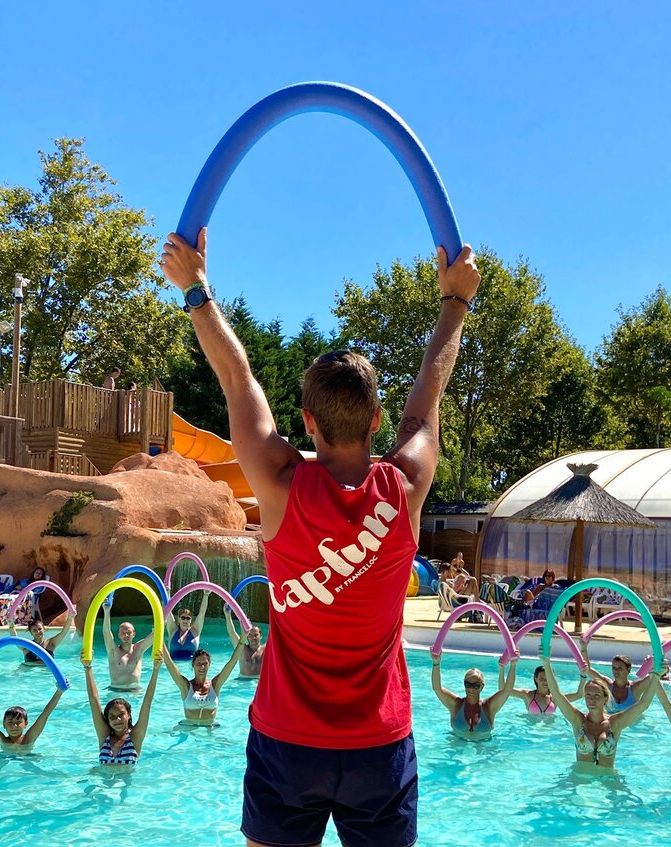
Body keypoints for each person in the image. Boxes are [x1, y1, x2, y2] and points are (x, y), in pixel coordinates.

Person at [160, 225, 480, 847]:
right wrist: (455, 301)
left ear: (305, 421)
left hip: (287, 740)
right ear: (377, 420)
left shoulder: (279, 485)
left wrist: (196, 289)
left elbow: (236, 378)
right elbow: (428, 396)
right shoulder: (405, 486)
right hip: (379, 745)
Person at [540, 656, 659, 768]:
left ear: (605, 698)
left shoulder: (615, 723)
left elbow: (643, 704)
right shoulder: (578, 720)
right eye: (588, 695)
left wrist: (657, 675)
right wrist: (546, 662)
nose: (591, 699)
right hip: (580, 778)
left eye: (597, 695)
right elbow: (556, 693)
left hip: (608, 779)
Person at [84, 652, 161, 766]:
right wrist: (87, 667)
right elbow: (93, 700)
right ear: (108, 720)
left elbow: (147, 703)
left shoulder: (135, 736)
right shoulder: (105, 736)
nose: (118, 720)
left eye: (121, 715)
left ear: (128, 715)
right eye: (113, 717)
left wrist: (155, 670)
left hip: (127, 784)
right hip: (103, 783)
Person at [430, 654, 518, 740]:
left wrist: (513, 665)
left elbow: (507, 690)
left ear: (482, 687)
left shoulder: (489, 706)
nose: (471, 689)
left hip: (484, 749)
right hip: (457, 746)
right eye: (468, 684)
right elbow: (437, 688)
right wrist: (436, 663)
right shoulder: (456, 704)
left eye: (476, 686)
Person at [162, 642, 246, 727]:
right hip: (188, 728)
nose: (202, 667)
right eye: (198, 664)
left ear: (209, 664)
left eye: (205, 664)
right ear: (193, 665)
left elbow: (232, 662)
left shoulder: (215, 685)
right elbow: (169, 664)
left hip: (210, 729)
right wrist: (159, 637)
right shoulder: (186, 686)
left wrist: (243, 639)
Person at [0, 689, 65, 754]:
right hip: (5, 758)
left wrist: (59, 691)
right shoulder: (2, 740)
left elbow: (45, 714)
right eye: (10, 722)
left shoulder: (28, 738)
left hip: (27, 758)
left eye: (18, 722)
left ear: (26, 724)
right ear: (4, 724)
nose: (14, 726)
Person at [579, 646, 656, 715]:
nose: (616, 671)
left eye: (620, 668)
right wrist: (583, 647)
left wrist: (655, 662)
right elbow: (586, 669)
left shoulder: (636, 688)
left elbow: (654, 676)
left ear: (628, 670)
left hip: (632, 725)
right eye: (614, 668)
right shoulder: (607, 685)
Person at [102, 600, 155, 690]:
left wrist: (162, 610)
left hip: (135, 691)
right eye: (123, 632)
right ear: (118, 635)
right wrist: (106, 611)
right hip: (116, 690)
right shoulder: (113, 651)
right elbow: (106, 634)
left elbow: (155, 634)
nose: (126, 635)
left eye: (128, 632)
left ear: (133, 634)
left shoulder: (138, 649)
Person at [505, 663, 583, 718]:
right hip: (531, 733)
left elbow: (579, 695)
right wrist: (510, 666)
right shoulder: (527, 695)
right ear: (536, 679)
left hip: (550, 733)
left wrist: (583, 676)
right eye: (542, 678)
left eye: (548, 679)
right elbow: (505, 690)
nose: (545, 682)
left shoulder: (556, 698)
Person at [9, 608, 75, 664]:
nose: (38, 632)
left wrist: (70, 617)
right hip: (29, 676)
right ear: (31, 632)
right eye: (34, 630)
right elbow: (15, 639)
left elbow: (64, 632)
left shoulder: (51, 643)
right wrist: (11, 624)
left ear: (44, 629)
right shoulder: (27, 645)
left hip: (46, 674)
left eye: (39, 629)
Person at [167, 591, 210, 661]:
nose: (185, 620)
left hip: (190, 668)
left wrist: (206, 595)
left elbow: (202, 613)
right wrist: (167, 591)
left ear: (190, 620)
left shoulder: (195, 631)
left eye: (188, 618)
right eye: (183, 618)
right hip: (173, 667)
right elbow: (168, 609)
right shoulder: (173, 630)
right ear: (179, 619)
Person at [224, 610, 265, 679]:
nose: (253, 637)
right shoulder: (242, 649)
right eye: (250, 635)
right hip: (243, 683)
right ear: (247, 636)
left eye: (256, 635)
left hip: (259, 682)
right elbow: (232, 633)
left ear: (261, 636)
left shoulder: (266, 649)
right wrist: (228, 616)